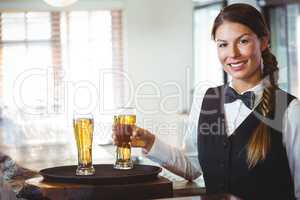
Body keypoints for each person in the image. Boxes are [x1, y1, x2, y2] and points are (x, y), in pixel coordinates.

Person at [112, 3, 300, 200]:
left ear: (263, 42)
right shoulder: (206, 99)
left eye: (243, 41)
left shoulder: (291, 111)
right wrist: (150, 142)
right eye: (223, 44)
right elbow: (193, 166)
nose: (233, 53)